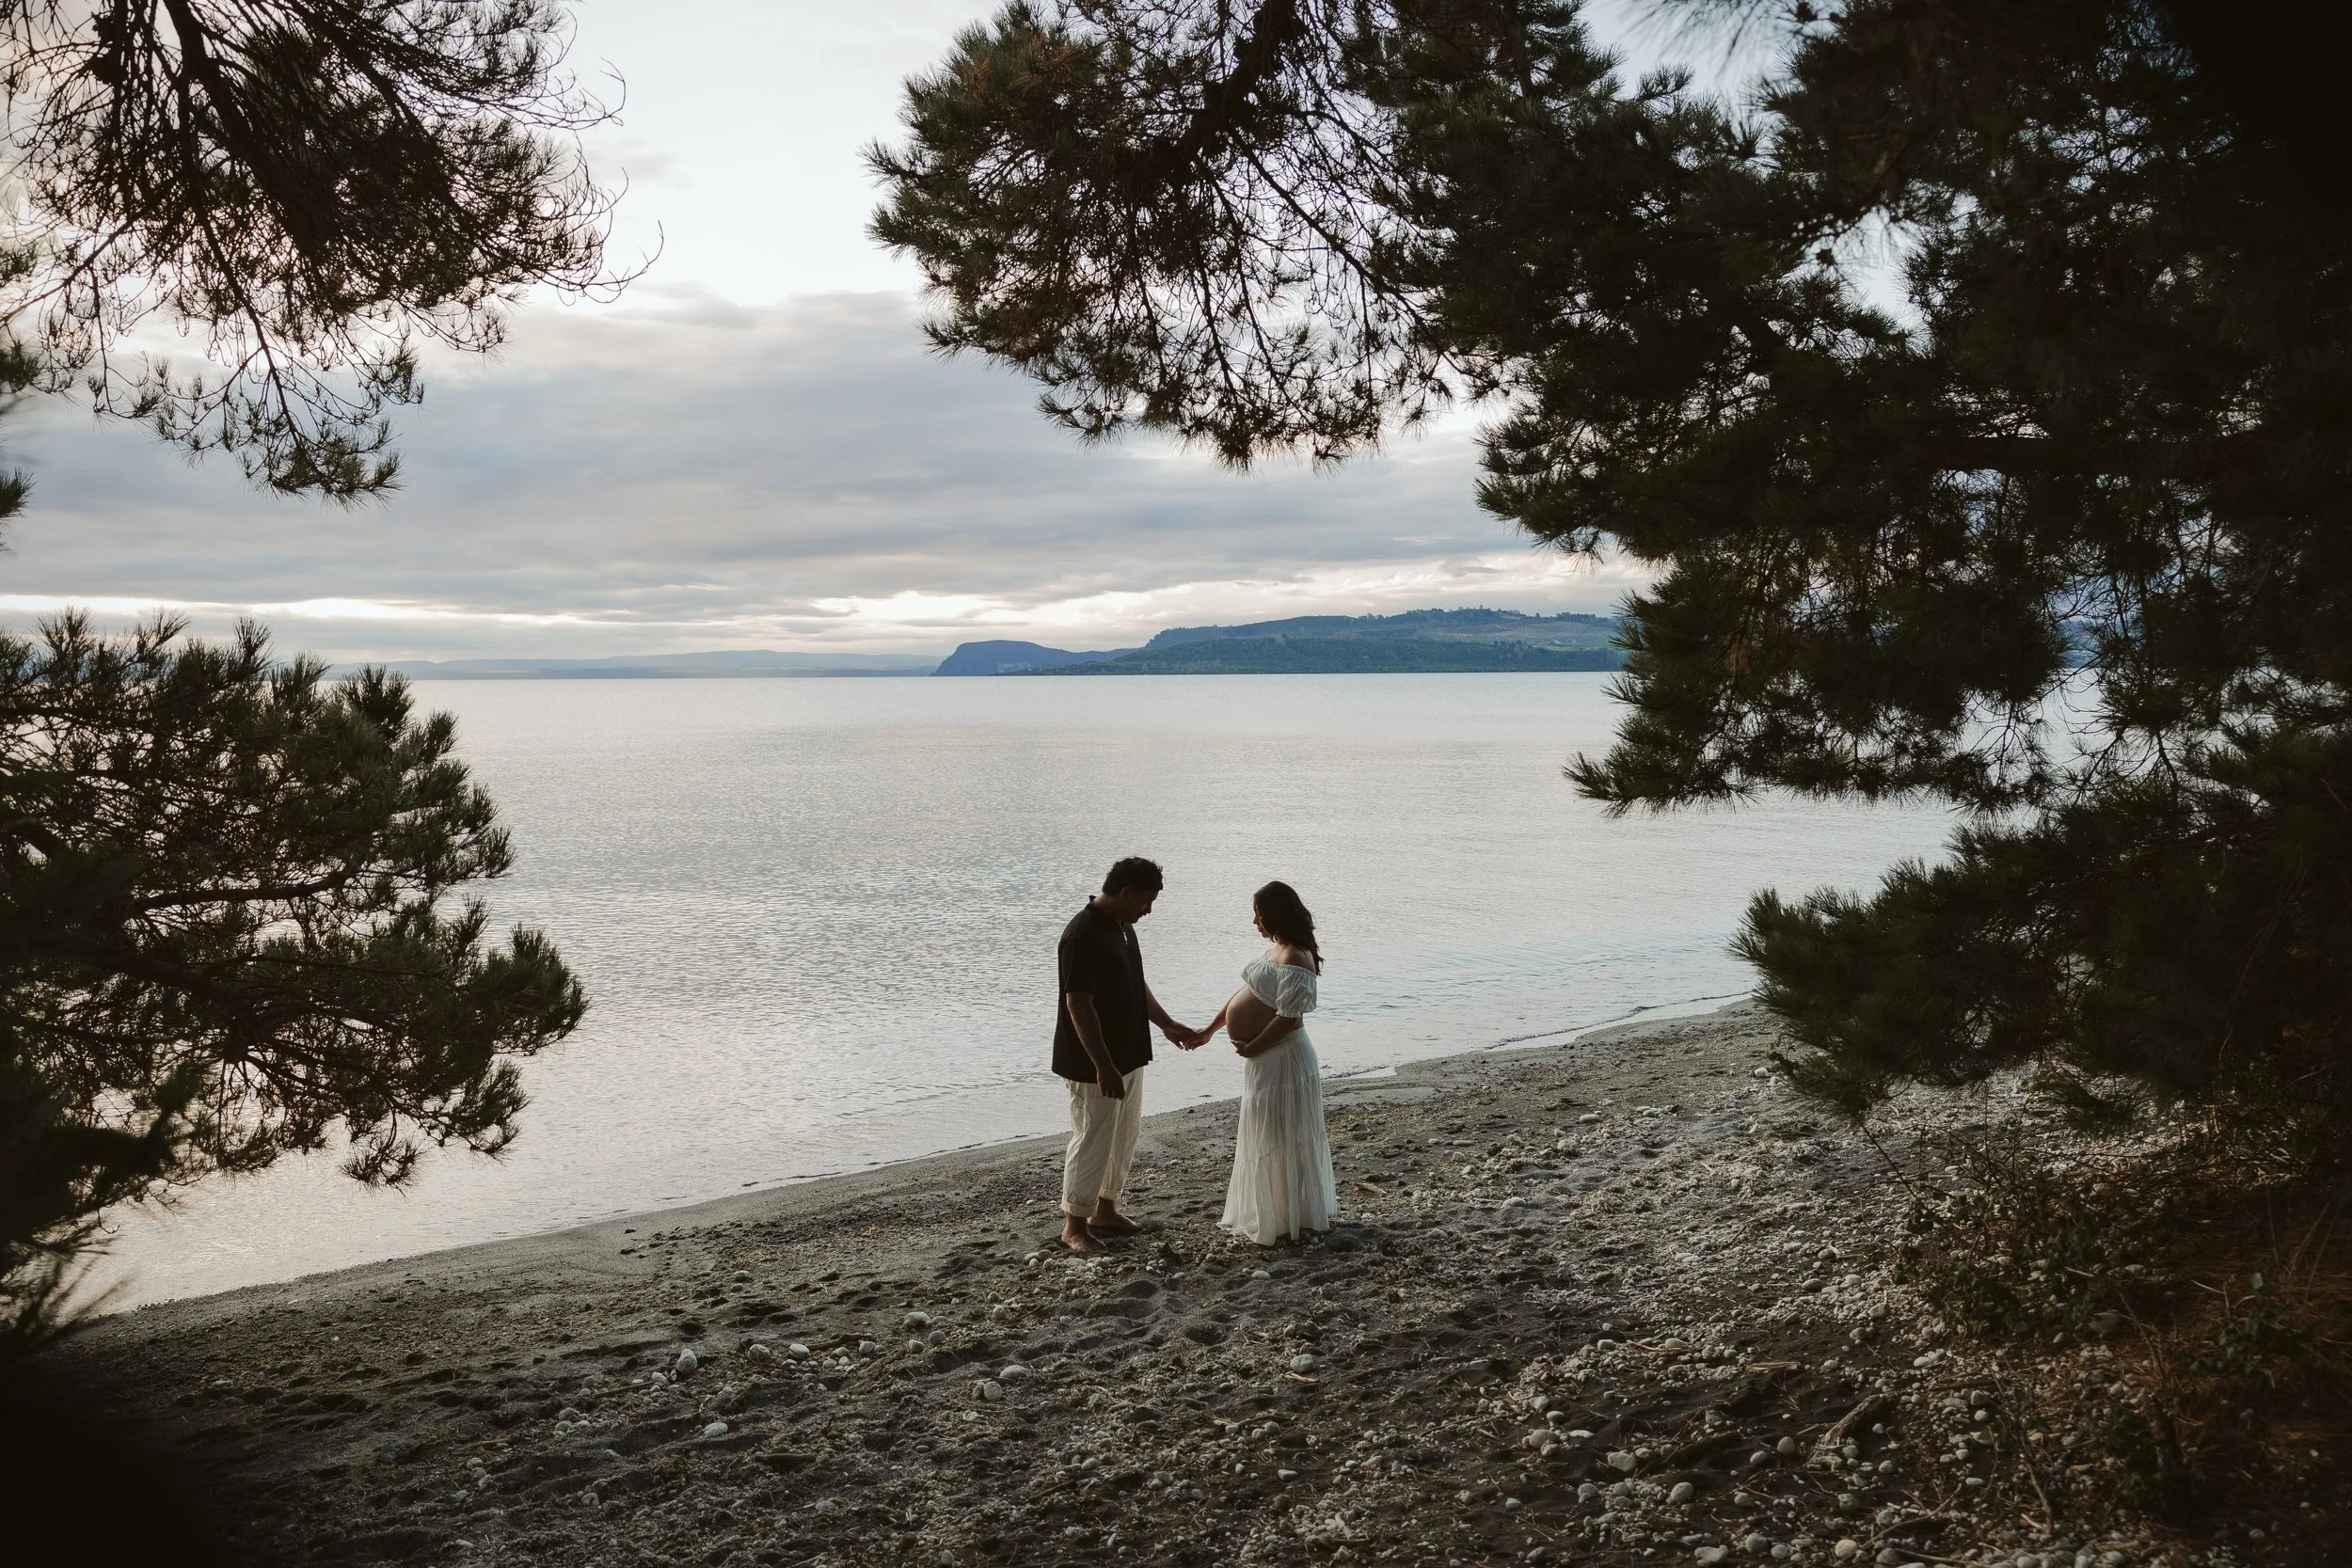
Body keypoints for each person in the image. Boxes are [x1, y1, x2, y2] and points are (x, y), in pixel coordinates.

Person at [1054, 856, 1203, 1254]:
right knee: (1092, 1138)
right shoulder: (1082, 934)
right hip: (1091, 1062)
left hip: (1128, 1051)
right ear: (1125, 893)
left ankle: (1104, 1209)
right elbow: (1078, 1004)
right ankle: (1074, 1226)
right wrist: (1103, 1065)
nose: (1149, 911)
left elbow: (1135, 983)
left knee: (1123, 1135)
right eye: (1146, 902)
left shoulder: (1122, 927)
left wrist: (1167, 1024)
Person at [1204, 880, 1338, 1245]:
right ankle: (1275, 1211)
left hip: (1283, 1058)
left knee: (1283, 1133)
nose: (1254, 922)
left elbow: (1289, 1017)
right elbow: (1246, 995)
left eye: (1259, 915)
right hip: (1267, 1057)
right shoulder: (1278, 950)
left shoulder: (1297, 956)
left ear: (1276, 915)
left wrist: (1253, 1047)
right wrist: (1210, 1030)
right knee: (1269, 1132)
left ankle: (1288, 1216)